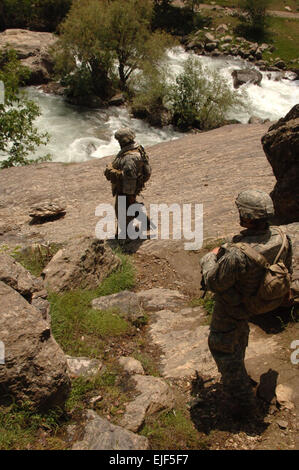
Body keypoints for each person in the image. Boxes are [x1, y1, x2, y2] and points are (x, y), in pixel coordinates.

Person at [200, 189, 293, 419]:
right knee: (237, 336)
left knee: (222, 348)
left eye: (242, 212)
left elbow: (214, 282)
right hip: (263, 301)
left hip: (234, 307)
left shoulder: (236, 255)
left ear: (249, 218)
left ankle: (244, 404)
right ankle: (239, 362)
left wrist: (209, 257)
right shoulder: (282, 237)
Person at [104, 128, 152, 239]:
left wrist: (129, 195)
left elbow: (129, 178)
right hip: (129, 187)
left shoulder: (129, 158)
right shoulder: (137, 149)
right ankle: (145, 222)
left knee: (122, 211)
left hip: (126, 189)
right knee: (128, 206)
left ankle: (124, 235)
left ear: (122, 141)